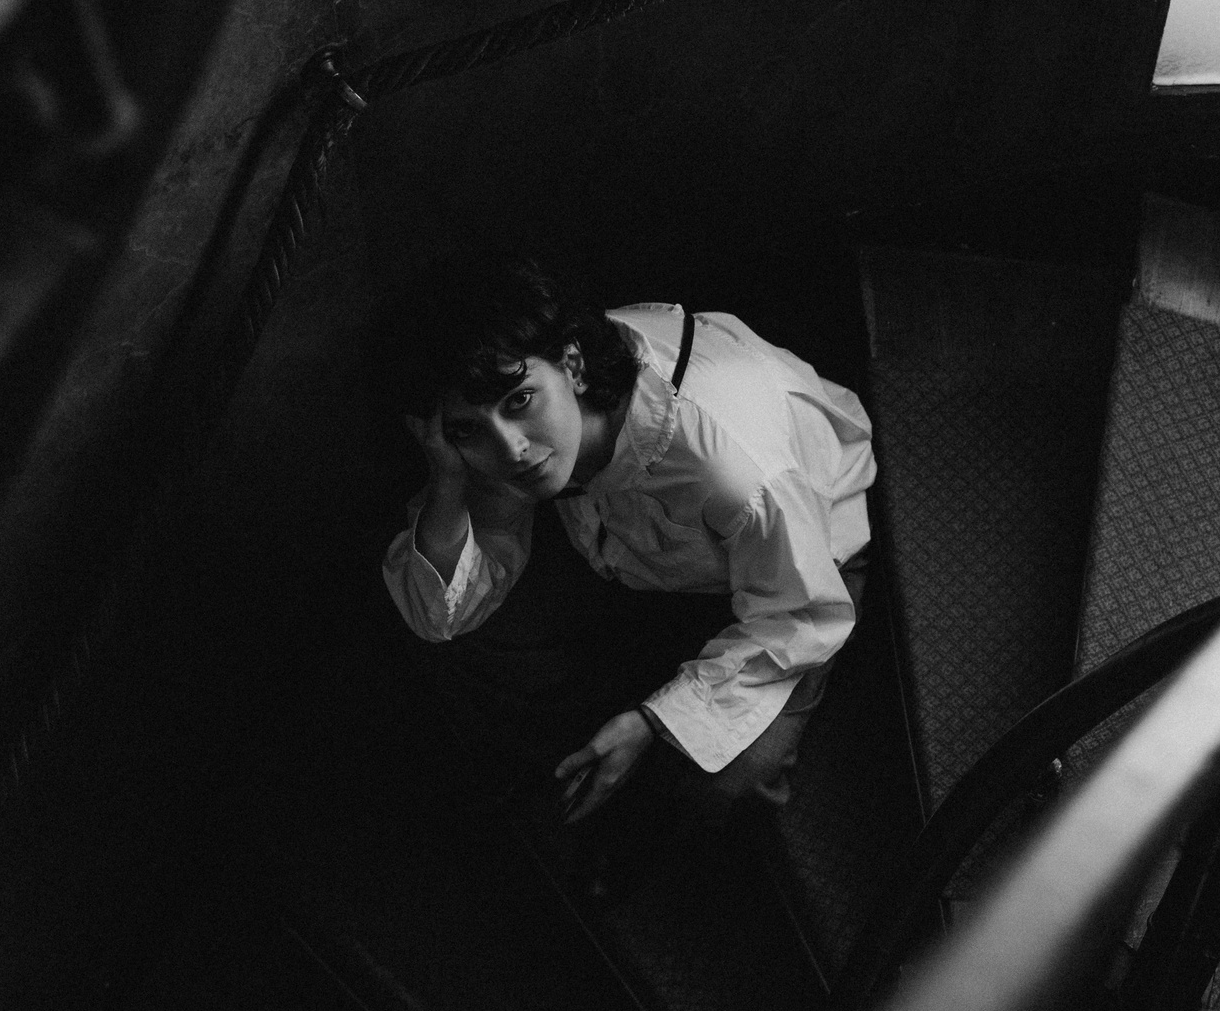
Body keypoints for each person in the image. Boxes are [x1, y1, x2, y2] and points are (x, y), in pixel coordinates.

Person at [371, 251, 874, 841]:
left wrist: (652, 722)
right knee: (479, 663)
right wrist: (449, 475)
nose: (510, 450)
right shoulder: (505, 416)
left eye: (520, 403)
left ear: (574, 366)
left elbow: (801, 614)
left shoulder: (735, 466)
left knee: (725, 780)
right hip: (640, 562)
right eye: (466, 430)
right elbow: (440, 615)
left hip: (805, 571)